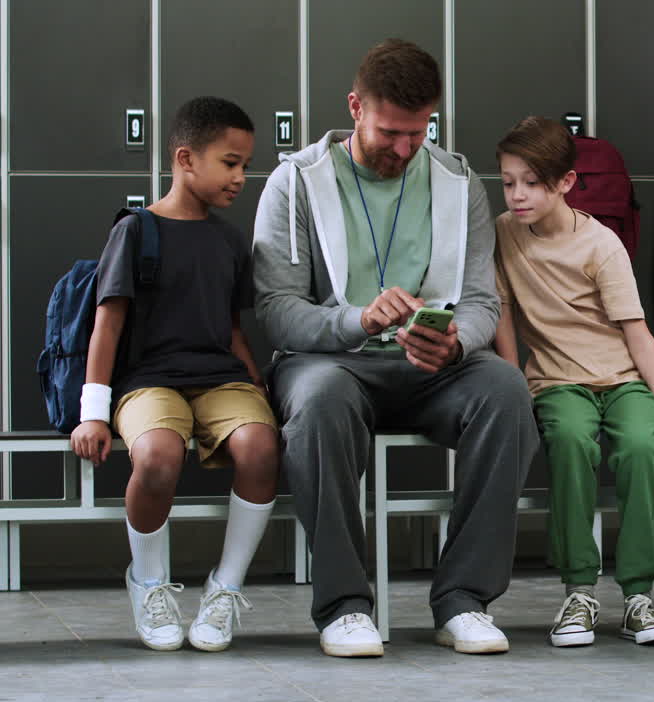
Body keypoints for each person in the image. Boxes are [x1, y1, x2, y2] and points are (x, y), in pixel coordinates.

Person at [253, 39, 537, 658]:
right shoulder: (295, 184)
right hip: (332, 363)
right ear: (355, 108)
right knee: (321, 400)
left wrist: (457, 341)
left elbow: (483, 301)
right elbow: (277, 312)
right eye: (391, 133)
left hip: (430, 370)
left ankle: (465, 600)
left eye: (419, 132)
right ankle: (345, 605)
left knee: (506, 390)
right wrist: (355, 319)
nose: (405, 150)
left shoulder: (459, 182)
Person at [70, 97, 279, 653]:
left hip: (219, 379)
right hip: (149, 382)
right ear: (186, 158)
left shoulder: (231, 241)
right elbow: (106, 328)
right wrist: (93, 413)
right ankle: (150, 583)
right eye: (230, 163)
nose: (241, 177)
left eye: (245, 165)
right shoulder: (135, 231)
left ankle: (224, 589)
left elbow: (232, 329)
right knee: (158, 457)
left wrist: (258, 389)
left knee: (261, 447)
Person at [493, 116, 654, 647]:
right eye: (508, 182)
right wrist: (512, 379)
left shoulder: (602, 245)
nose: (518, 195)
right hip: (556, 384)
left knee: (643, 451)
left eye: (531, 183)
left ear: (565, 183)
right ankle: (579, 592)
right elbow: (502, 312)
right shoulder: (504, 233)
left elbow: (639, 336)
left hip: (622, 381)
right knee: (572, 443)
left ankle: (639, 599)